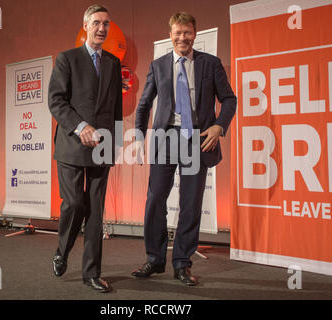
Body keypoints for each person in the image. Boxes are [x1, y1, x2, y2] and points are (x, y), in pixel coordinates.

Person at [133, 12, 237, 286]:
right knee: (155, 201)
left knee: (190, 204)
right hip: (165, 139)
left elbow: (228, 99)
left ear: (194, 34)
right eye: (177, 33)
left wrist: (219, 127)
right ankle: (155, 260)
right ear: (170, 36)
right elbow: (144, 104)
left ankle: (181, 263)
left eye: (187, 33)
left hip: (197, 139)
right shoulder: (158, 65)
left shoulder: (211, 64)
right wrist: (138, 138)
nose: (182, 38)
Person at [48, 4, 122, 293]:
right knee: (75, 204)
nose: (102, 28)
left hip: (102, 148)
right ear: (85, 26)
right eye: (96, 23)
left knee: (96, 212)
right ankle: (62, 252)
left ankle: (91, 272)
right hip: (71, 147)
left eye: (106, 23)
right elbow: (56, 101)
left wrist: (114, 145)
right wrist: (81, 127)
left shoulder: (114, 63)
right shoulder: (67, 59)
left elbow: (115, 108)